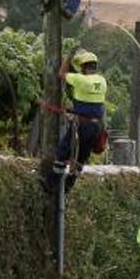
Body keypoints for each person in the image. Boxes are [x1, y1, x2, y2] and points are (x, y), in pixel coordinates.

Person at [50, 48, 108, 192]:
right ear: (95, 66)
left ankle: (52, 183)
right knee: (82, 155)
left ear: (83, 67)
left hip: (82, 124)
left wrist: (68, 57)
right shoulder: (102, 81)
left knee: (63, 151)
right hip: (96, 126)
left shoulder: (80, 79)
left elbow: (61, 74)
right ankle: (70, 183)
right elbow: (90, 101)